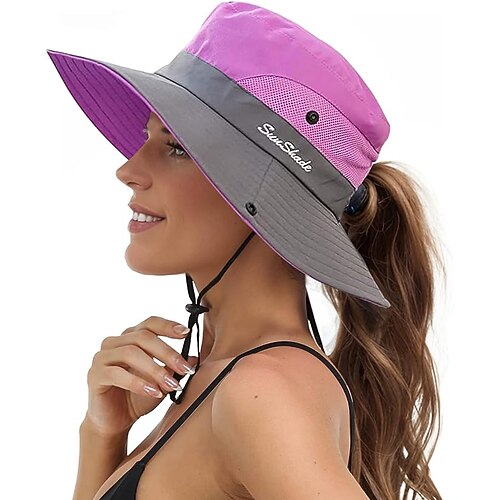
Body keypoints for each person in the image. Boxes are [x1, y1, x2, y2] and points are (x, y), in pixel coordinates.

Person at [47, 2, 445, 499]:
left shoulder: (261, 391)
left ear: (264, 193)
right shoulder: (223, 376)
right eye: (148, 138)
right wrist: (102, 435)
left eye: (176, 147)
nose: (127, 170)